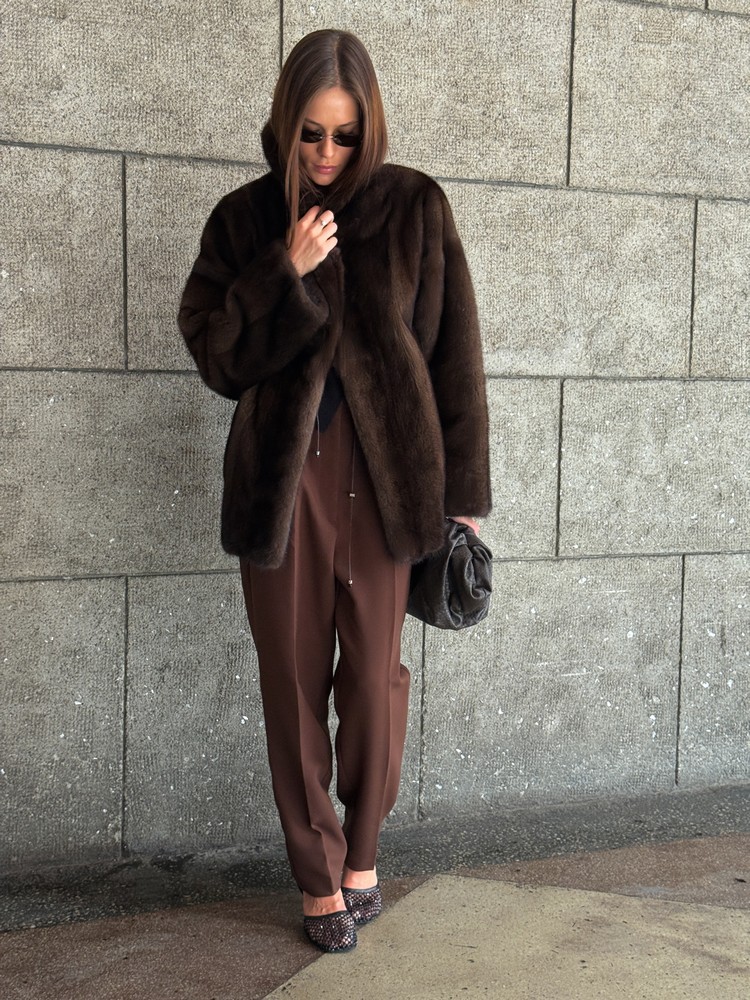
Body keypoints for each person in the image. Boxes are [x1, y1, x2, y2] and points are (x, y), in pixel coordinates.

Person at [178, 28, 491, 953]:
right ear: (286, 124)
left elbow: (455, 357)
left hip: (389, 484)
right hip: (286, 487)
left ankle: (363, 852)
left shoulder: (414, 207)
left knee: (375, 683)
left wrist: (466, 497)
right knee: (291, 681)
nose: (324, 153)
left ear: (369, 129)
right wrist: (285, 269)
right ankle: (319, 878)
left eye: (344, 136)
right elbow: (218, 357)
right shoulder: (243, 221)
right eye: (310, 133)